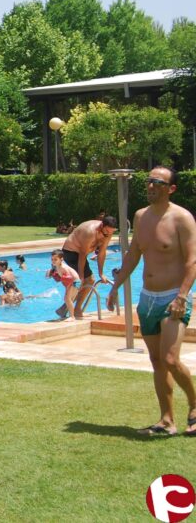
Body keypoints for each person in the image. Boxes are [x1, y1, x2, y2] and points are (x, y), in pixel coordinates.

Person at [106, 166, 196, 437]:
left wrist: (182, 296)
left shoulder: (182, 219)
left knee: (170, 358)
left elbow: (192, 262)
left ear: (171, 189)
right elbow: (134, 255)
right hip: (147, 299)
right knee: (157, 361)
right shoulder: (141, 216)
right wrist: (115, 287)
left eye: (158, 182)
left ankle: (194, 405)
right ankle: (167, 420)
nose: (151, 186)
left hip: (173, 298)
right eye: (149, 181)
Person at [61, 215, 117, 317]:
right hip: (70, 252)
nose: (108, 234)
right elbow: (82, 255)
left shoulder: (108, 232)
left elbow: (102, 253)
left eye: (111, 232)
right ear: (101, 226)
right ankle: (76, 309)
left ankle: (68, 305)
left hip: (79, 254)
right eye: (107, 231)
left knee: (88, 280)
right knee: (88, 280)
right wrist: (81, 276)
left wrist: (101, 273)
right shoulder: (90, 232)